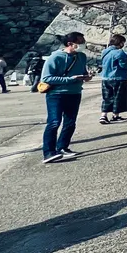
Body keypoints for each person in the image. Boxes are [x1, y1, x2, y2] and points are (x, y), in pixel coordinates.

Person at [40, 32, 92, 163]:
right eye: (80, 41)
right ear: (70, 43)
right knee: (54, 122)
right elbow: (46, 78)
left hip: (74, 93)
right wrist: (70, 79)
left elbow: (82, 72)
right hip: (56, 94)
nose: (83, 44)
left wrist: (86, 76)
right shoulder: (55, 57)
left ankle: (63, 147)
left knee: (70, 122)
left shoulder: (81, 56)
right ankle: (49, 152)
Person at [99, 34, 127, 124]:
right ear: (120, 42)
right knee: (118, 97)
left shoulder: (105, 51)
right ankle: (115, 115)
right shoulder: (119, 52)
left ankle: (103, 115)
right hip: (118, 78)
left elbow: (114, 55)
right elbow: (123, 66)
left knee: (107, 97)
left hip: (105, 78)